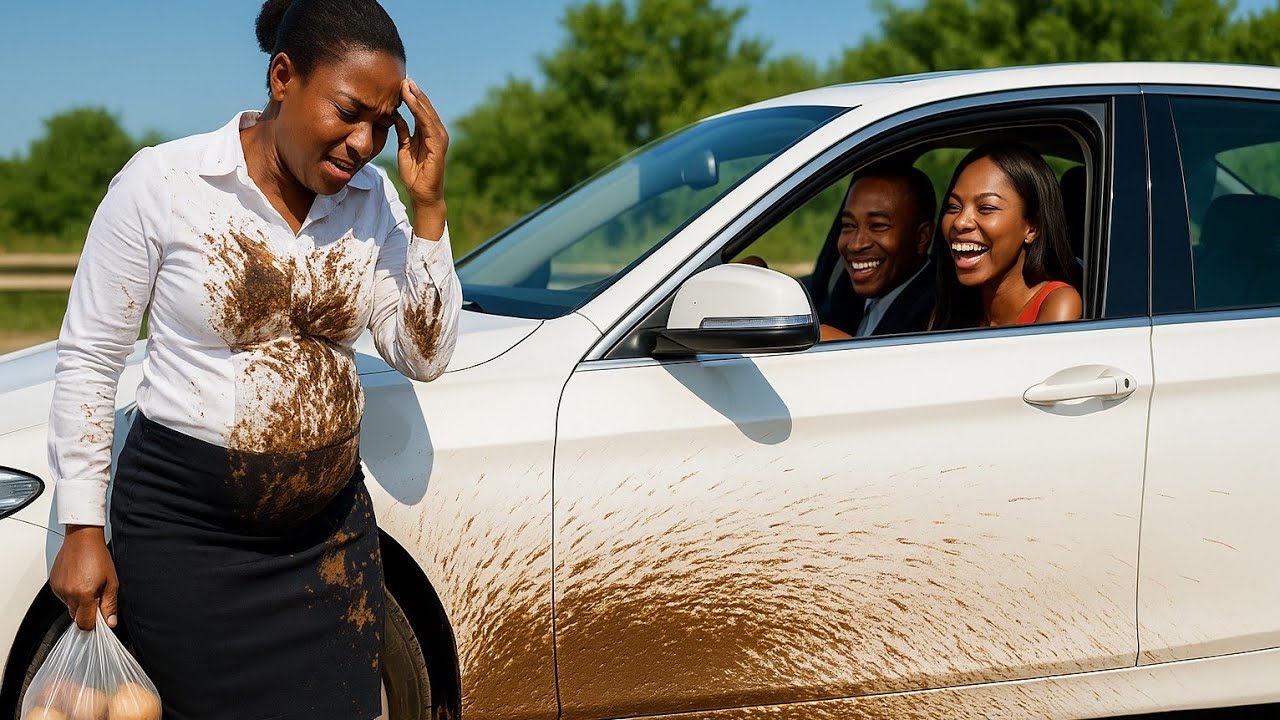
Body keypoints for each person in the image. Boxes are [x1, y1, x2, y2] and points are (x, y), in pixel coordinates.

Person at [45, 1, 461, 718]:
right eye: (348, 112)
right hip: (188, 541)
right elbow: (90, 356)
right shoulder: (165, 183)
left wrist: (429, 207)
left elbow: (422, 354)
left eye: (382, 124)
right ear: (283, 77)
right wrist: (82, 528)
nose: (364, 143)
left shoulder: (376, 202)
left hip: (328, 543)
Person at [931, 142, 1082, 329]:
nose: (960, 222)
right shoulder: (949, 310)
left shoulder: (1056, 302)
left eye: (986, 208)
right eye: (954, 207)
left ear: (1033, 227)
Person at [819, 164, 937, 341]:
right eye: (849, 225)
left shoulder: (937, 314)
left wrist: (848, 348)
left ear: (921, 238)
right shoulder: (847, 292)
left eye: (878, 226)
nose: (856, 245)